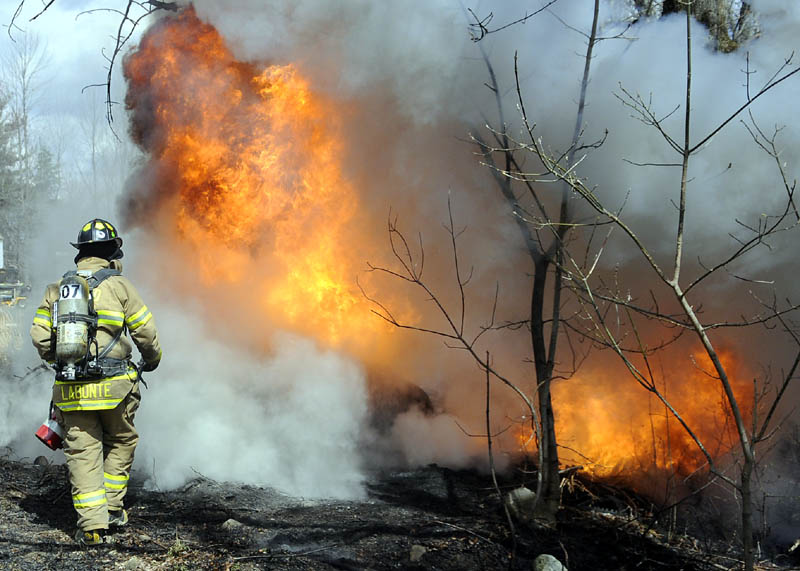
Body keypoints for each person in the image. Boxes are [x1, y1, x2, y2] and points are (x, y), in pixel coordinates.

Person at [30, 218, 161, 546]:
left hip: (72, 389)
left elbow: (39, 336)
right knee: (120, 442)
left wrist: (58, 361)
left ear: (81, 254)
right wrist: (153, 360)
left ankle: (91, 526)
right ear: (112, 252)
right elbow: (145, 333)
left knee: (83, 451)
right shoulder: (120, 286)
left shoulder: (57, 289)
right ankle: (113, 509)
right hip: (116, 388)